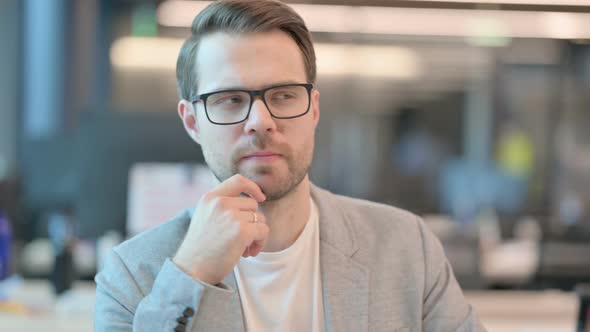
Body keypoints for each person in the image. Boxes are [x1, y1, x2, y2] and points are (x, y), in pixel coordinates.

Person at [94, 1, 487, 331]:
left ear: (313, 109)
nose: (260, 121)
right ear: (192, 122)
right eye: (231, 100)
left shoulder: (406, 248)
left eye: (283, 95)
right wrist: (191, 274)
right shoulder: (133, 274)